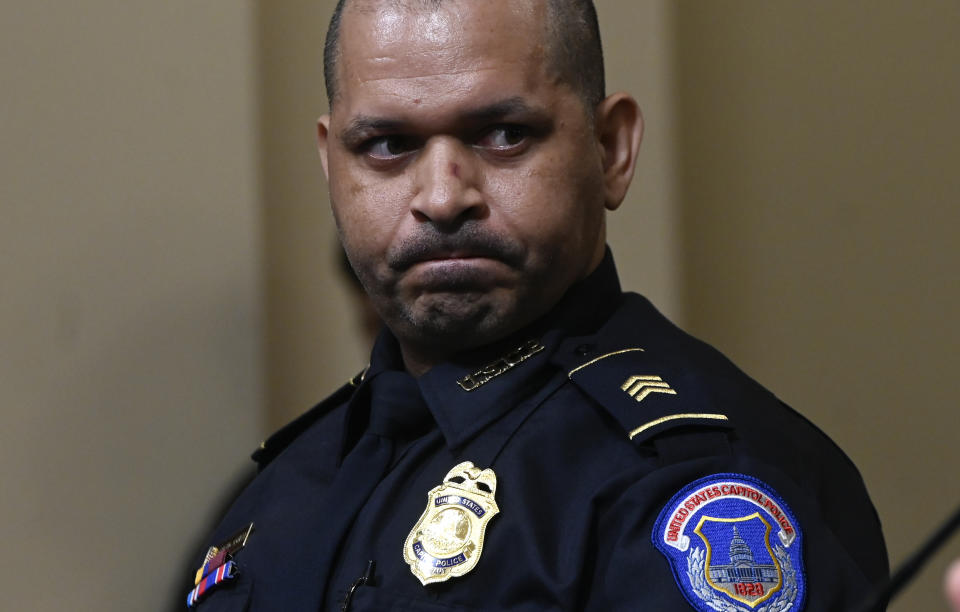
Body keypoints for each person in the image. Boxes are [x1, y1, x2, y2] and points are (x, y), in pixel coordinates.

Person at [184, 1, 888, 610]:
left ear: (611, 150)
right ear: (330, 163)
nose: (441, 195)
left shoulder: (696, 487)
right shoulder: (285, 486)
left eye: (503, 134)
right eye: (387, 145)